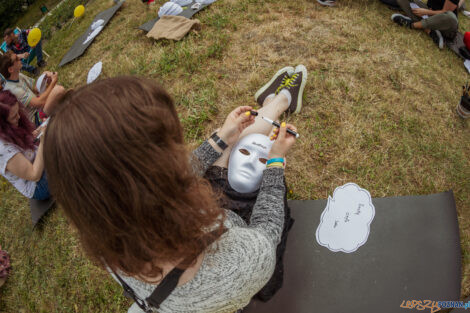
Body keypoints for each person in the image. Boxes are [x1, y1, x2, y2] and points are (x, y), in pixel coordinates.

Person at [43, 73, 303, 313]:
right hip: (238, 245)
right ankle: (279, 100)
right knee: (253, 166)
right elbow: (267, 231)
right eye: (170, 146)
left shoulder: (105, 227)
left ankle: (276, 102)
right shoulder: (233, 266)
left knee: (232, 144)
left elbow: (154, 179)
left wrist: (221, 138)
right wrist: (275, 161)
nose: (180, 151)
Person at [0, 90, 50, 200]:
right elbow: (34, 175)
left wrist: (40, 131)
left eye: (18, 112)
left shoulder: (9, 129)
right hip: (38, 187)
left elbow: (25, 147)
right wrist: (43, 141)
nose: (18, 117)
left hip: (39, 162)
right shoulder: (3, 150)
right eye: (13, 117)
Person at [0, 51, 64, 125]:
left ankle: (61, 106)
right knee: (59, 90)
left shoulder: (18, 75)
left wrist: (45, 79)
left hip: (39, 106)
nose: (19, 59)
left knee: (45, 74)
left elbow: (36, 89)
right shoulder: (13, 89)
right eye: (16, 59)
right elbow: (38, 102)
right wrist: (52, 83)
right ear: (10, 69)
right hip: (36, 118)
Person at [391, 0, 459, 49]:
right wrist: (426, 11)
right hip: (430, 14)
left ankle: (412, 25)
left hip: (444, 25)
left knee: (451, 17)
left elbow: (445, 12)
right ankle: (429, 30)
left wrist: (426, 12)